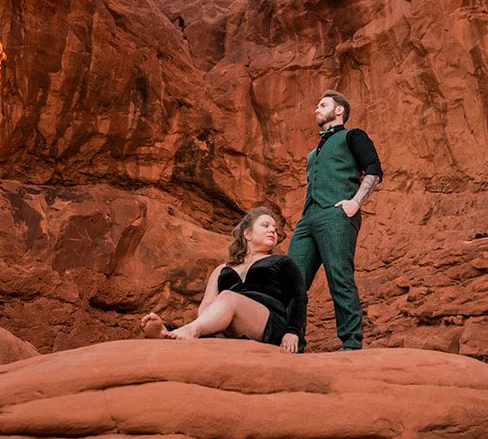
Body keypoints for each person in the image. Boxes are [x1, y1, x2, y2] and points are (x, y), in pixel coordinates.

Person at [287, 90, 382, 350]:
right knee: (291, 279)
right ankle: (291, 339)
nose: (316, 109)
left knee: (339, 276)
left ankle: (351, 343)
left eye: (323, 105)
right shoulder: (312, 152)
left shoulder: (353, 136)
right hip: (309, 217)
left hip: (336, 213)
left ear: (339, 110)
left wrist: (355, 203)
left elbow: (374, 169)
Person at [141, 206, 306, 352]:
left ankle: (189, 331)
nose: (273, 230)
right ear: (247, 234)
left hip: (266, 322)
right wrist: (211, 322)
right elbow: (207, 304)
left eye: (275, 229)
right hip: (228, 326)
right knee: (220, 305)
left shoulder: (282, 262)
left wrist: (293, 331)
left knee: (227, 297)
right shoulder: (222, 269)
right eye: (265, 225)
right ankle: (165, 331)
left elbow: (298, 297)